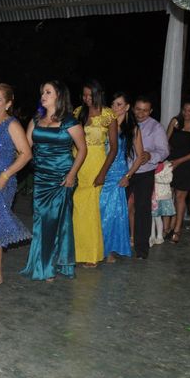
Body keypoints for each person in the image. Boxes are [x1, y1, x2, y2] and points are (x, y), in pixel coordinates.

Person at [21, 80, 87, 281]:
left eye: (48, 92)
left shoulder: (70, 122)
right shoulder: (36, 120)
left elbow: (83, 149)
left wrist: (71, 174)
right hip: (41, 177)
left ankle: (48, 266)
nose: (43, 95)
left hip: (61, 178)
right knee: (41, 221)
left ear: (58, 96)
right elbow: (24, 147)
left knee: (54, 222)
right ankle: (41, 263)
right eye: (42, 92)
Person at [0, 83, 32, 291]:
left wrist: (6, 173)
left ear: (8, 103)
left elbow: (26, 154)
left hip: (2, 181)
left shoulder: (12, 124)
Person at [72, 80, 117, 267]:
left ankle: (91, 255)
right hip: (77, 162)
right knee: (77, 207)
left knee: (89, 210)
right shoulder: (77, 112)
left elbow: (114, 148)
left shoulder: (108, 115)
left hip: (96, 163)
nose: (87, 98)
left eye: (90, 95)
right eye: (84, 95)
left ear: (99, 94)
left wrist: (102, 173)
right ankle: (76, 252)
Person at [100, 92, 143, 262]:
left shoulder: (132, 128)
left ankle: (109, 250)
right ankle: (95, 247)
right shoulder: (104, 124)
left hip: (118, 174)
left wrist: (128, 176)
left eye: (119, 104)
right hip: (100, 171)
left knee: (112, 214)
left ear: (126, 107)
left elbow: (140, 156)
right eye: (113, 104)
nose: (114, 108)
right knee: (98, 210)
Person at [128, 96, 169, 258]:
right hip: (124, 171)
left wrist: (150, 155)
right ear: (132, 108)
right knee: (119, 207)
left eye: (145, 110)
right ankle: (116, 244)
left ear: (150, 111)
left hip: (144, 172)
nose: (141, 113)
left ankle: (141, 249)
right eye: (138, 109)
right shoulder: (126, 122)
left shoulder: (156, 127)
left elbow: (164, 151)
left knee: (143, 210)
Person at [166, 98, 190, 243]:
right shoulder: (175, 121)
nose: (186, 113)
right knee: (169, 195)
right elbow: (166, 140)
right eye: (184, 110)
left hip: (187, 163)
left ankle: (177, 230)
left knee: (180, 197)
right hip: (171, 162)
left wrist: (179, 161)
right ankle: (168, 227)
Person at [151, 161, 175, 245]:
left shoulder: (167, 165)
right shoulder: (151, 164)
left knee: (157, 217)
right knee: (151, 217)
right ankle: (152, 236)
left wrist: (155, 177)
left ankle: (160, 236)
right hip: (151, 195)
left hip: (160, 195)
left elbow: (169, 179)